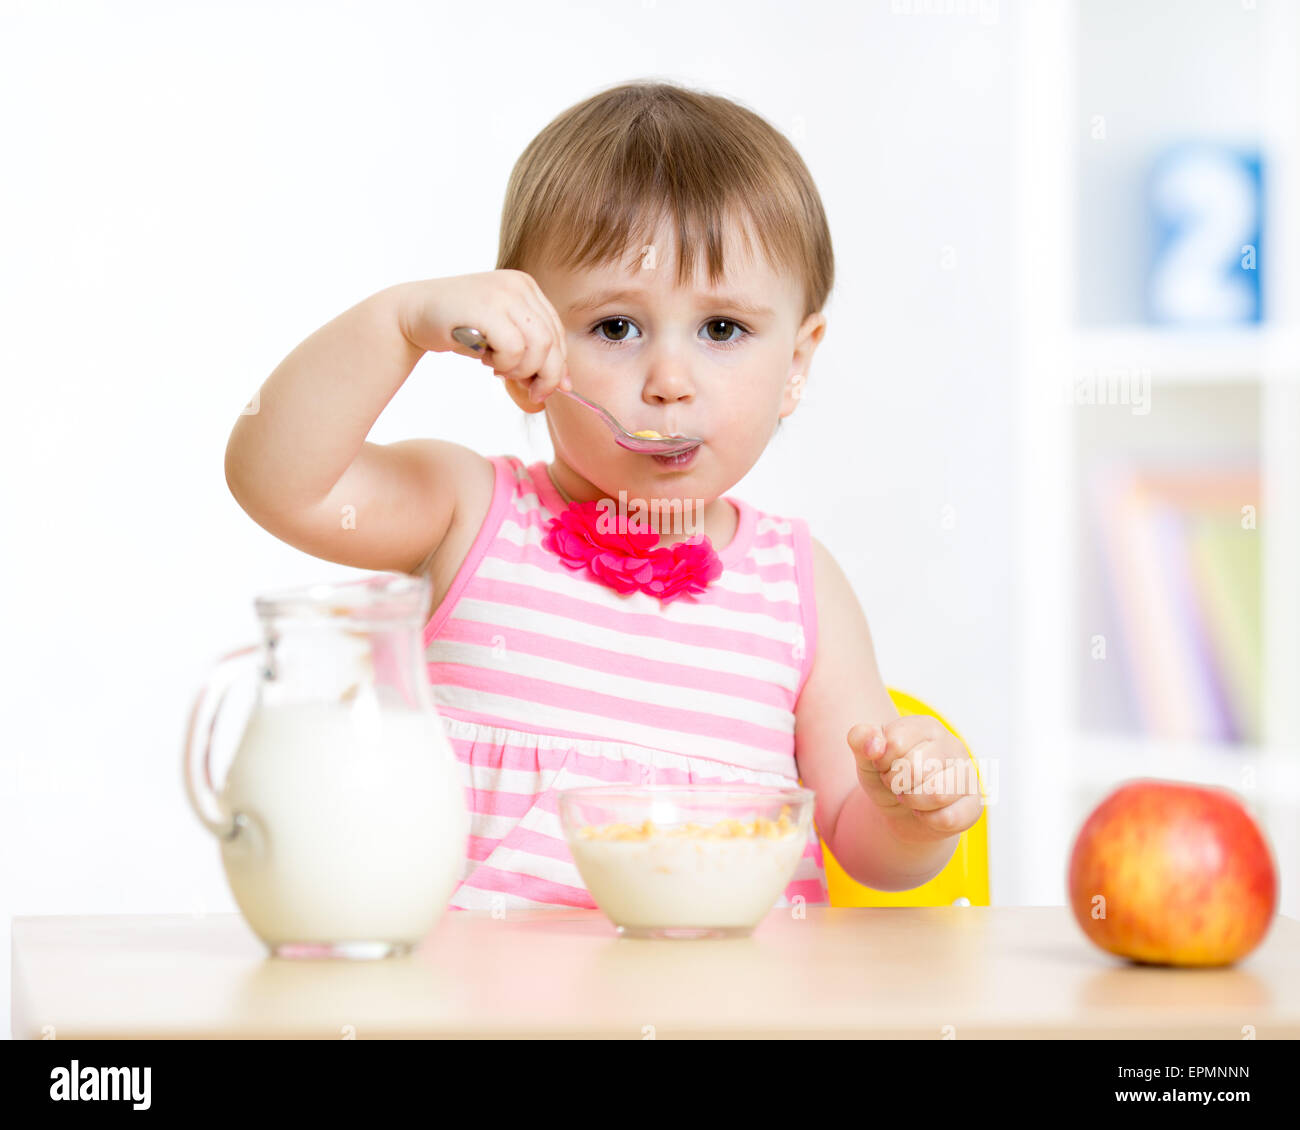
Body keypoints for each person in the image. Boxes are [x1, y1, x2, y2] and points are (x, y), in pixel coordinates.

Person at [225, 78, 984, 911]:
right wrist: (402, 322)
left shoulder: (801, 589)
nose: (668, 382)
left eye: (722, 329)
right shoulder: (467, 513)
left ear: (797, 364)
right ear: (524, 341)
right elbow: (281, 481)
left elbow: (862, 841)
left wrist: (913, 817)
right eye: (615, 327)